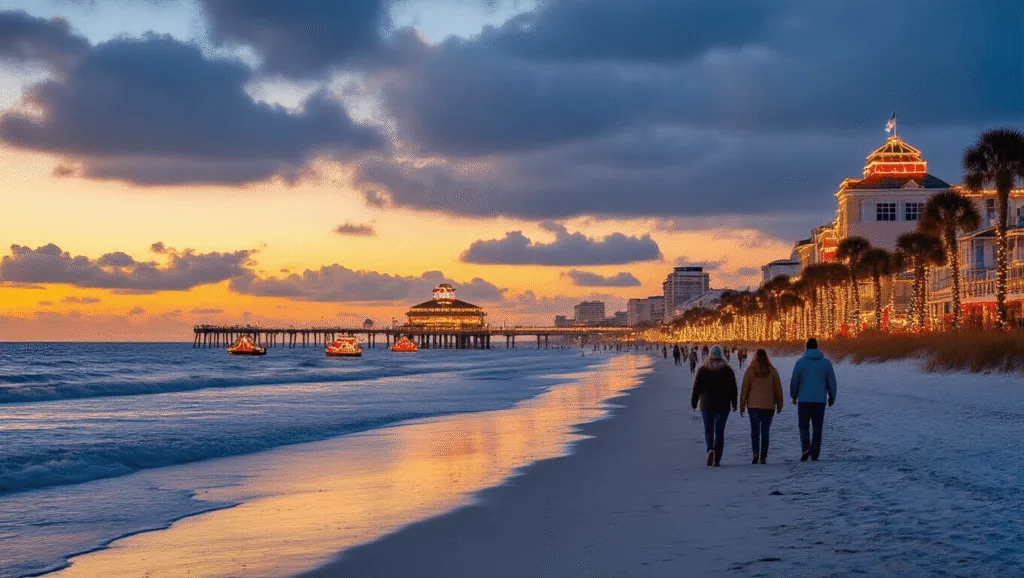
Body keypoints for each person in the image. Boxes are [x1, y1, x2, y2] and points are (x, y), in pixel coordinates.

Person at [789, 338, 838, 461]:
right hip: (820, 401)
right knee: (817, 428)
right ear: (817, 347)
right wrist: (832, 397)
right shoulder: (826, 363)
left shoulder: (800, 363)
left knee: (803, 426)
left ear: (806, 347)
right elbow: (831, 382)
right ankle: (815, 453)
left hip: (804, 400)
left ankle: (805, 449)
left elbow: (795, 381)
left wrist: (793, 395)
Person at [690, 345, 738, 467]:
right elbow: (733, 389)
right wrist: (734, 403)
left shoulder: (703, 369)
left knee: (708, 430)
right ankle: (717, 459)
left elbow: (697, 388)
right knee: (720, 431)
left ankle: (710, 449)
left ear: (710, 355)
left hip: (706, 404)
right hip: (723, 405)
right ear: (721, 355)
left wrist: (694, 402)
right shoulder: (727, 370)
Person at [739, 349, 784, 464]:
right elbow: (778, 389)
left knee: (755, 431)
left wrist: (742, 404)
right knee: (765, 431)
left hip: (753, 406)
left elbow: (745, 389)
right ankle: (763, 456)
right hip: (768, 406)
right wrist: (779, 404)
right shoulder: (773, 372)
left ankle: (755, 453)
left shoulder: (750, 371)